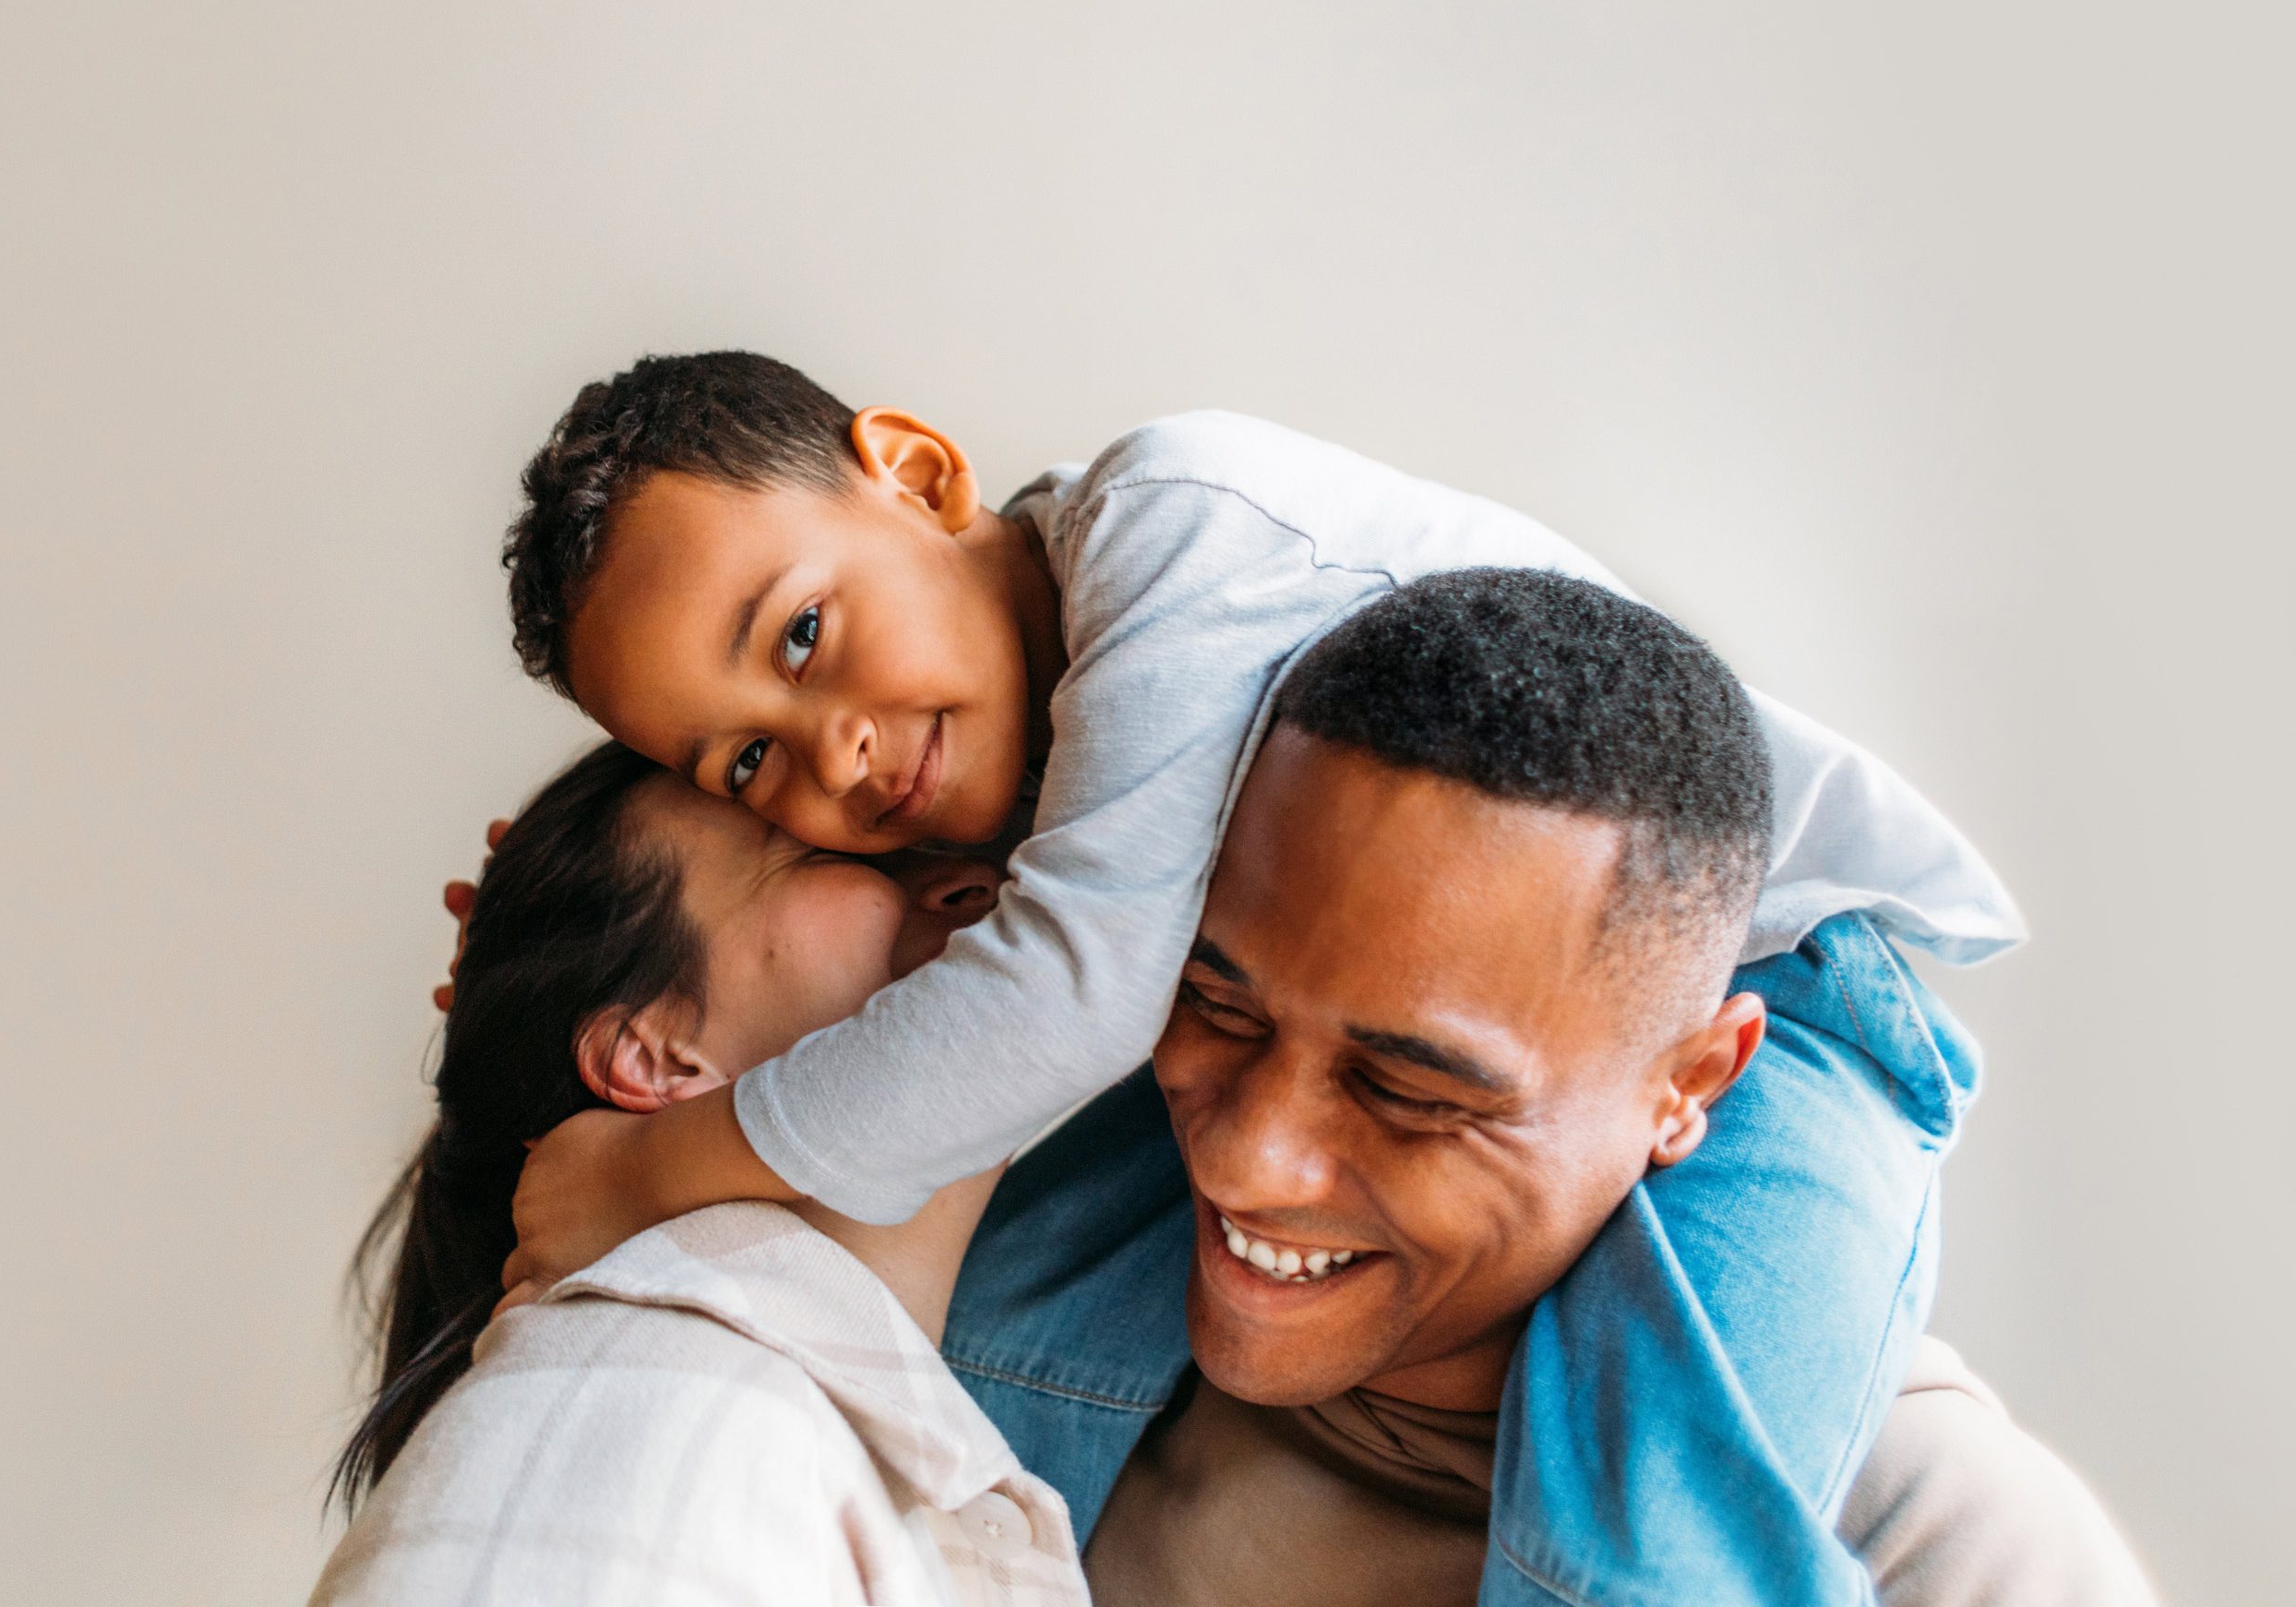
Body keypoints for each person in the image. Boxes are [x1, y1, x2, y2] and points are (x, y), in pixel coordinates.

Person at [487, 351, 2022, 1601]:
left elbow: (1056, 996)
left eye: (807, 634)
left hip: (1781, 987)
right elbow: (958, 968)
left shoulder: (1177, 534)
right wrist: (549, 945)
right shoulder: (980, 747)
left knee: (1649, 1542)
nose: (838, 752)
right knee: (981, 1350)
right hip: (1356, 1054)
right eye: (747, 763)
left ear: (920, 470)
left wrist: (652, 1168)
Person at [1080, 570, 2154, 1606]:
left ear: (1691, 1085)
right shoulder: (1026, 1325)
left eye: (1408, 1090)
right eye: (1220, 1009)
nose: (1243, 1158)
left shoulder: (1934, 1539)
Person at [314, 742, 1084, 1607]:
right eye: (828, 854)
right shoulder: (639, 1419)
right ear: (654, 1055)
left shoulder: (797, 1431)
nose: (980, 878)